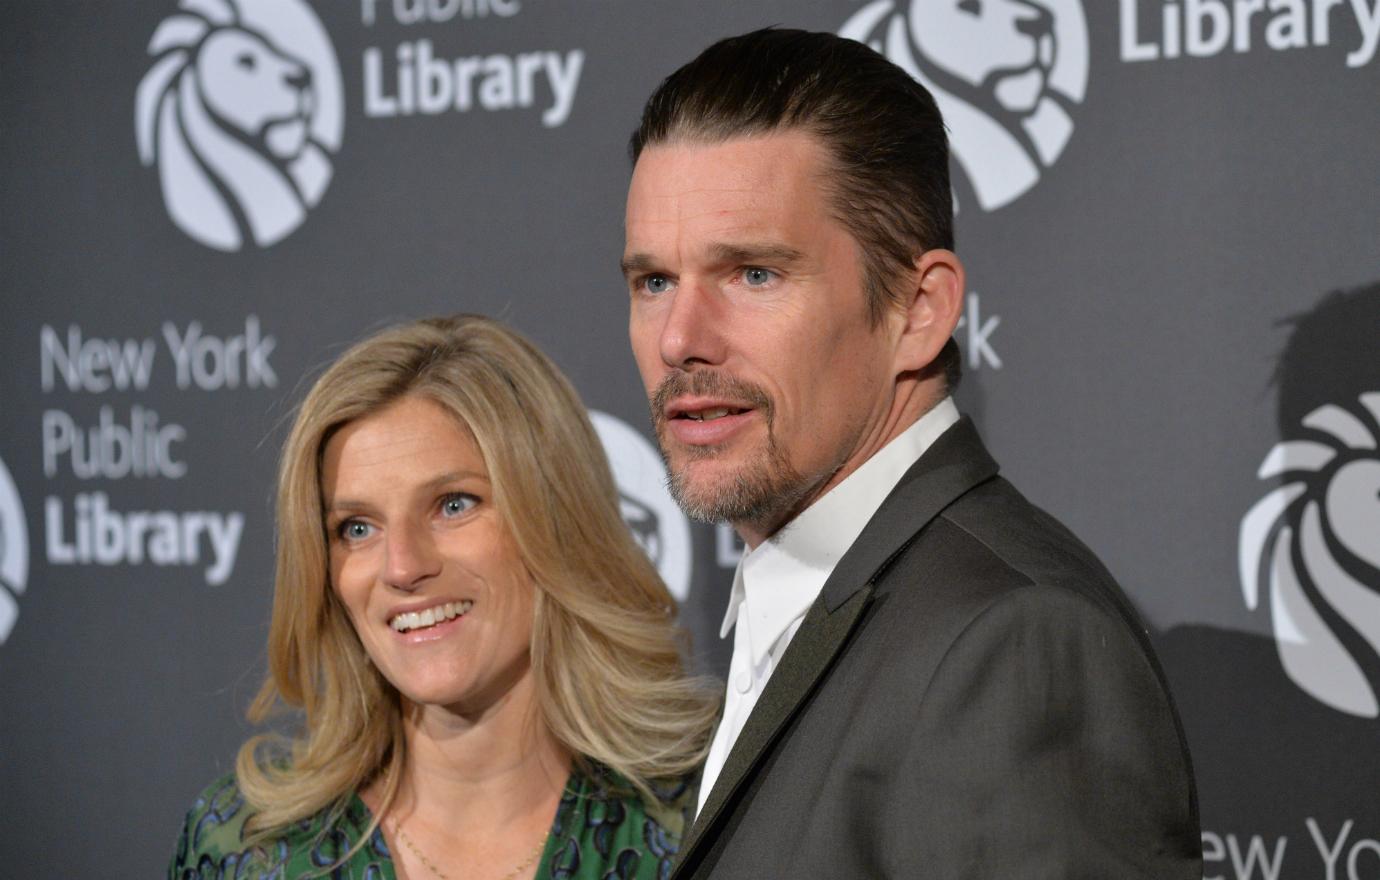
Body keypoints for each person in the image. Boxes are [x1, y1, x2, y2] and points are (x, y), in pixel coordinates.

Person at [621, 28, 1202, 878]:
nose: (679, 339)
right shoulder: (808, 598)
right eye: (654, 282)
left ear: (919, 310)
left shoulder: (1015, 647)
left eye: (754, 275)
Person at [169, 315, 719, 879]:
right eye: (358, 528)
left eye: (454, 504)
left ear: (555, 518)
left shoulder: (704, 821)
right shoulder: (245, 850)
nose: (403, 567)